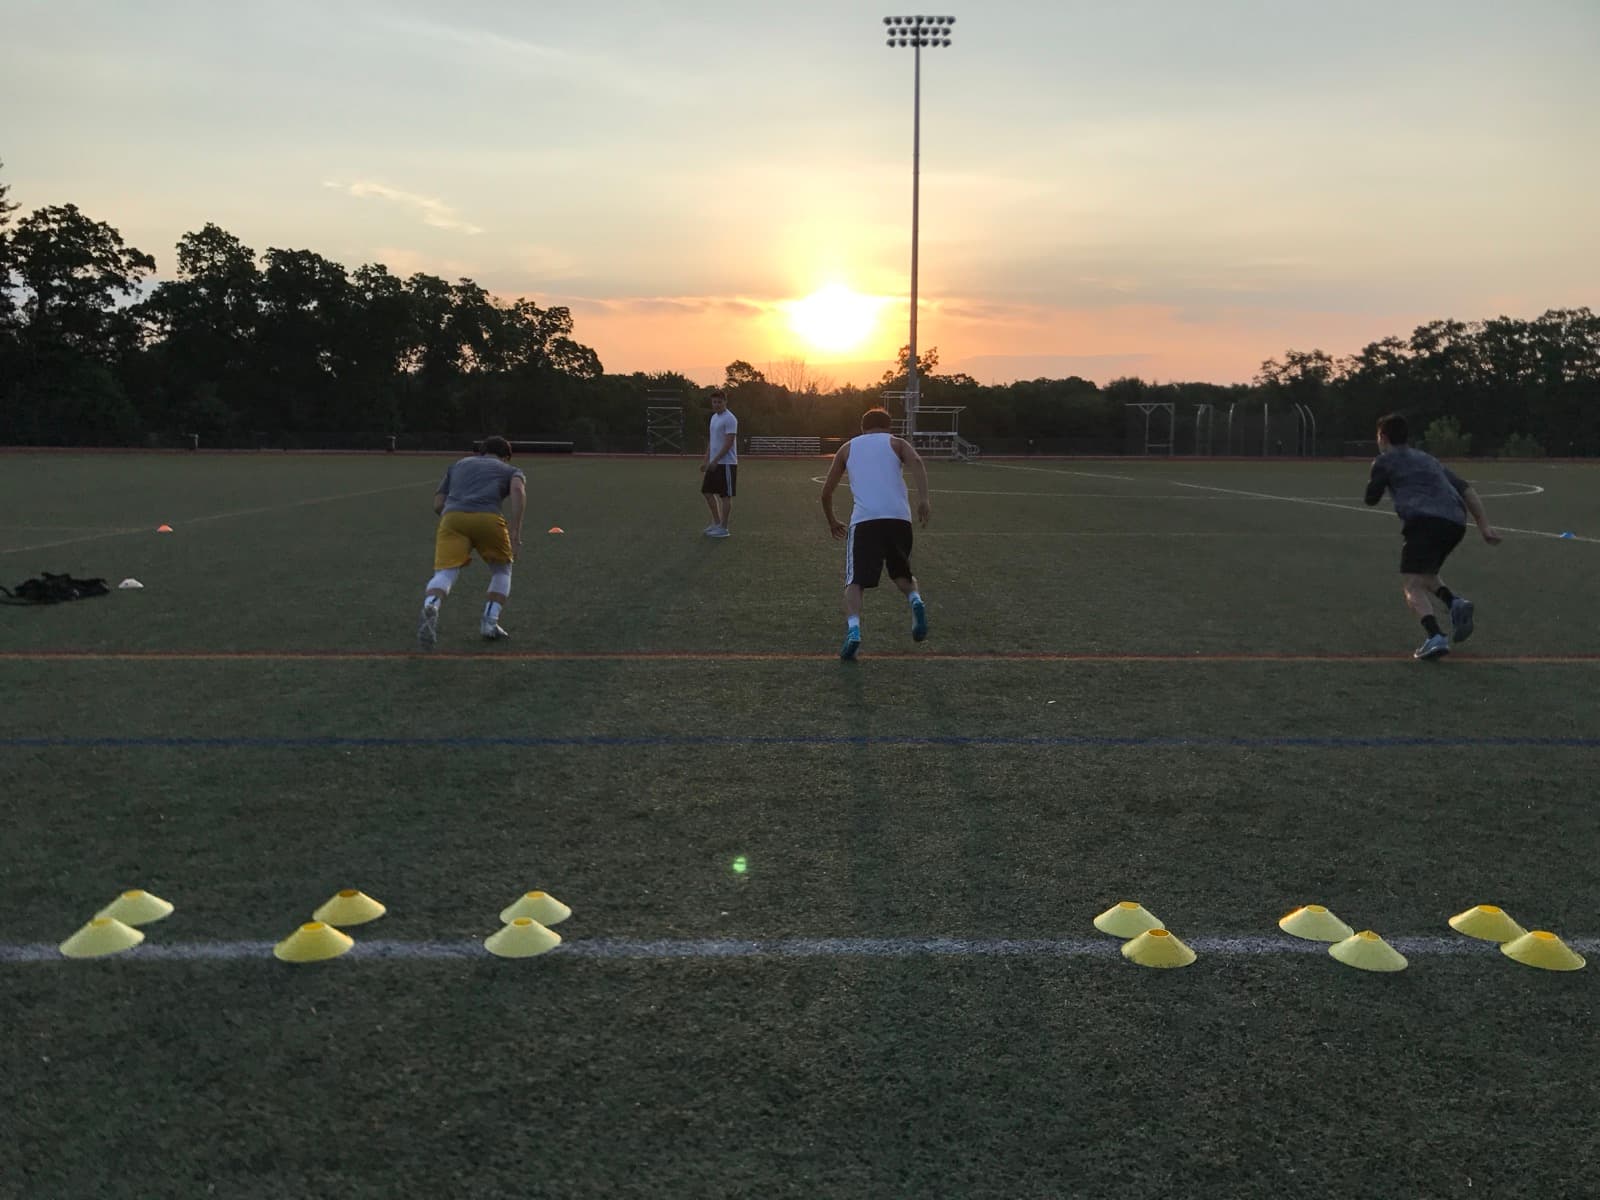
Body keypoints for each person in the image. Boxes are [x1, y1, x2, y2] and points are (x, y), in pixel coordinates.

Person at [1363, 413, 1501, 659]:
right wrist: (1484, 527)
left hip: (1424, 521)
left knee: (1412, 584)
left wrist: (1377, 478)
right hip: (1456, 523)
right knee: (1426, 574)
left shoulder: (1385, 460)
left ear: (1383, 437)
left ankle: (1435, 636)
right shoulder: (1428, 459)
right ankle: (1454, 603)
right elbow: (1466, 489)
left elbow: (1370, 499)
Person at [819, 407, 932, 660]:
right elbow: (917, 462)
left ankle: (854, 630)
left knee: (855, 581)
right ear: (889, 426)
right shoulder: (896, 443)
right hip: (899, 518)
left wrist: (832, 520)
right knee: (902, 573)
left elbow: (826, 493)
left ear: (863, 427)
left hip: (865, 521)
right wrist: (924, 499)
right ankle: (915, 600)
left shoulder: (848, 448)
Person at [417, 435, 527, 649]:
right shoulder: (510, 470)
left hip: (453, 517)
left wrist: (455, 518)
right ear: (505, 457)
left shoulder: (458, 465)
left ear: (482, 451)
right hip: (488, 518)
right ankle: (490, 622)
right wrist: (515, 533)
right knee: (502, 571)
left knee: (446, 572)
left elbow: (438, 503)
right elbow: (517, 490)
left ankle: (431, 604)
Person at [700, 390, 737, 538]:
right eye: (714, 402)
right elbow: (712, 441)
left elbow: (729, 443)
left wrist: (716, 460)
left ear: (725, 402)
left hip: (726, 463)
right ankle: (716, 523)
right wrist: (706, 460)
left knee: (725, 496)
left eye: (719, 402)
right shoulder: (714, 418)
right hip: (714, 463)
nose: (716, 405)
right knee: (707, 492)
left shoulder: (730, 419)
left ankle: (724, 527)